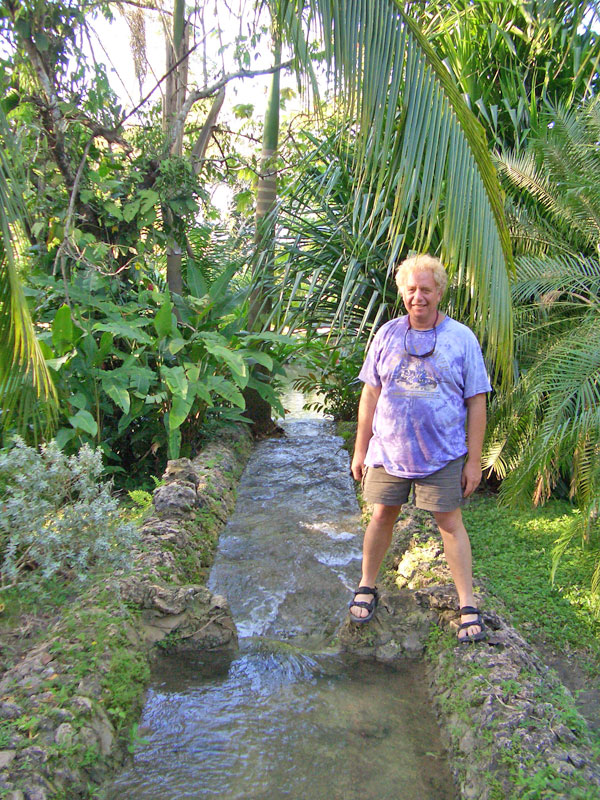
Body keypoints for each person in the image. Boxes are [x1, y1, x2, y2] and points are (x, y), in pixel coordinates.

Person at [349, 253, 491, 642]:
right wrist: (361, 449)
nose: (418, 297)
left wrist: (473, 461)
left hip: (442, 453)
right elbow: (370, 394)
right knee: (382, 515)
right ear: (402, 293)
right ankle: (366, 585)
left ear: (439, 292)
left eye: (426, 289)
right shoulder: (387, 334)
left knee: (450, 523)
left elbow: (477, 401)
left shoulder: (461, 338)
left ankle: (467, 604)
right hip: (389, 451)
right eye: (411, 289)